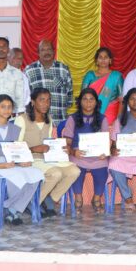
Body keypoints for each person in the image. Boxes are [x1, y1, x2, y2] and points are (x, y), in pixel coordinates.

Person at [0, 94, 44, 226]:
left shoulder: (14, 129)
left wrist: (22, 161)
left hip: (10, 164)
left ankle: (11, 208)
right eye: (3, 107)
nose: (6, 110)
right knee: (17, 178)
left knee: (35, 174)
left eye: (9, 107)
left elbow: (15, 151)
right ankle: (12, 212)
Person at [14, 87, 80, 218]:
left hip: (45, 159)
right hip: (29, 160)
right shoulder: (22, 119)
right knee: (55, 173)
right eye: (42, 100)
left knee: (74, 171)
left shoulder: (48, 119)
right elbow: (15, 148)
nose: (46, 104)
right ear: (33, 102)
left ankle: (50, 199)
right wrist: (34, 149)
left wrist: (59, 149)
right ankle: (32, 203)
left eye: (48, 100)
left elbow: (48, 144)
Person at [63, 88, 111, 214]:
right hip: (78, 154)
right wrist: (73, 152)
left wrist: (104, 152)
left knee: (102, 168)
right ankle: (78, 198)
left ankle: (96, 198)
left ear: (96, 102)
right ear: (80, 102)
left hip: (97, 155)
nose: (88, 102)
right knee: (75, 170)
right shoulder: (72, 118)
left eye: (91, 99)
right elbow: (67, 143)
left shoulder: (102, 119)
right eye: (85, 99)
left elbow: (106, 141)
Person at [24, 39, 73, 122]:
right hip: (37, 122)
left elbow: (69, 96)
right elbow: (25, 98)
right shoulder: (29, 71)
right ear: (38, 53)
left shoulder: (63, 69)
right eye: (43, 50)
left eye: (49, 49)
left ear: (53, 51)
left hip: (60, 120)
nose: (46, 52)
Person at [81, 47, 123, 125]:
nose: (103, 60)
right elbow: (82, 97)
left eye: (106, 57)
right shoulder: (90, 75)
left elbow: (122, 100)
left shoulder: (116, 76)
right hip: (91, 114)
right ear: (96, 61)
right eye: (100, 57)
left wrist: (118, 120)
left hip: (111, 116)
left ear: (110, 60)